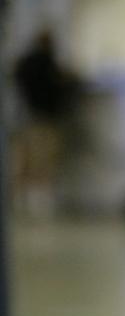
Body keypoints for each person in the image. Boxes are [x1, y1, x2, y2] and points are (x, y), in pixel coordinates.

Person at [11, 30, 85, 218]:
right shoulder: (48, 64)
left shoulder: (26, 62)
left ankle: (24, 201)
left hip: (28, 116)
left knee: (27, 160)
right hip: (44, 118)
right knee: (42, 160)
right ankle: (38, 203)